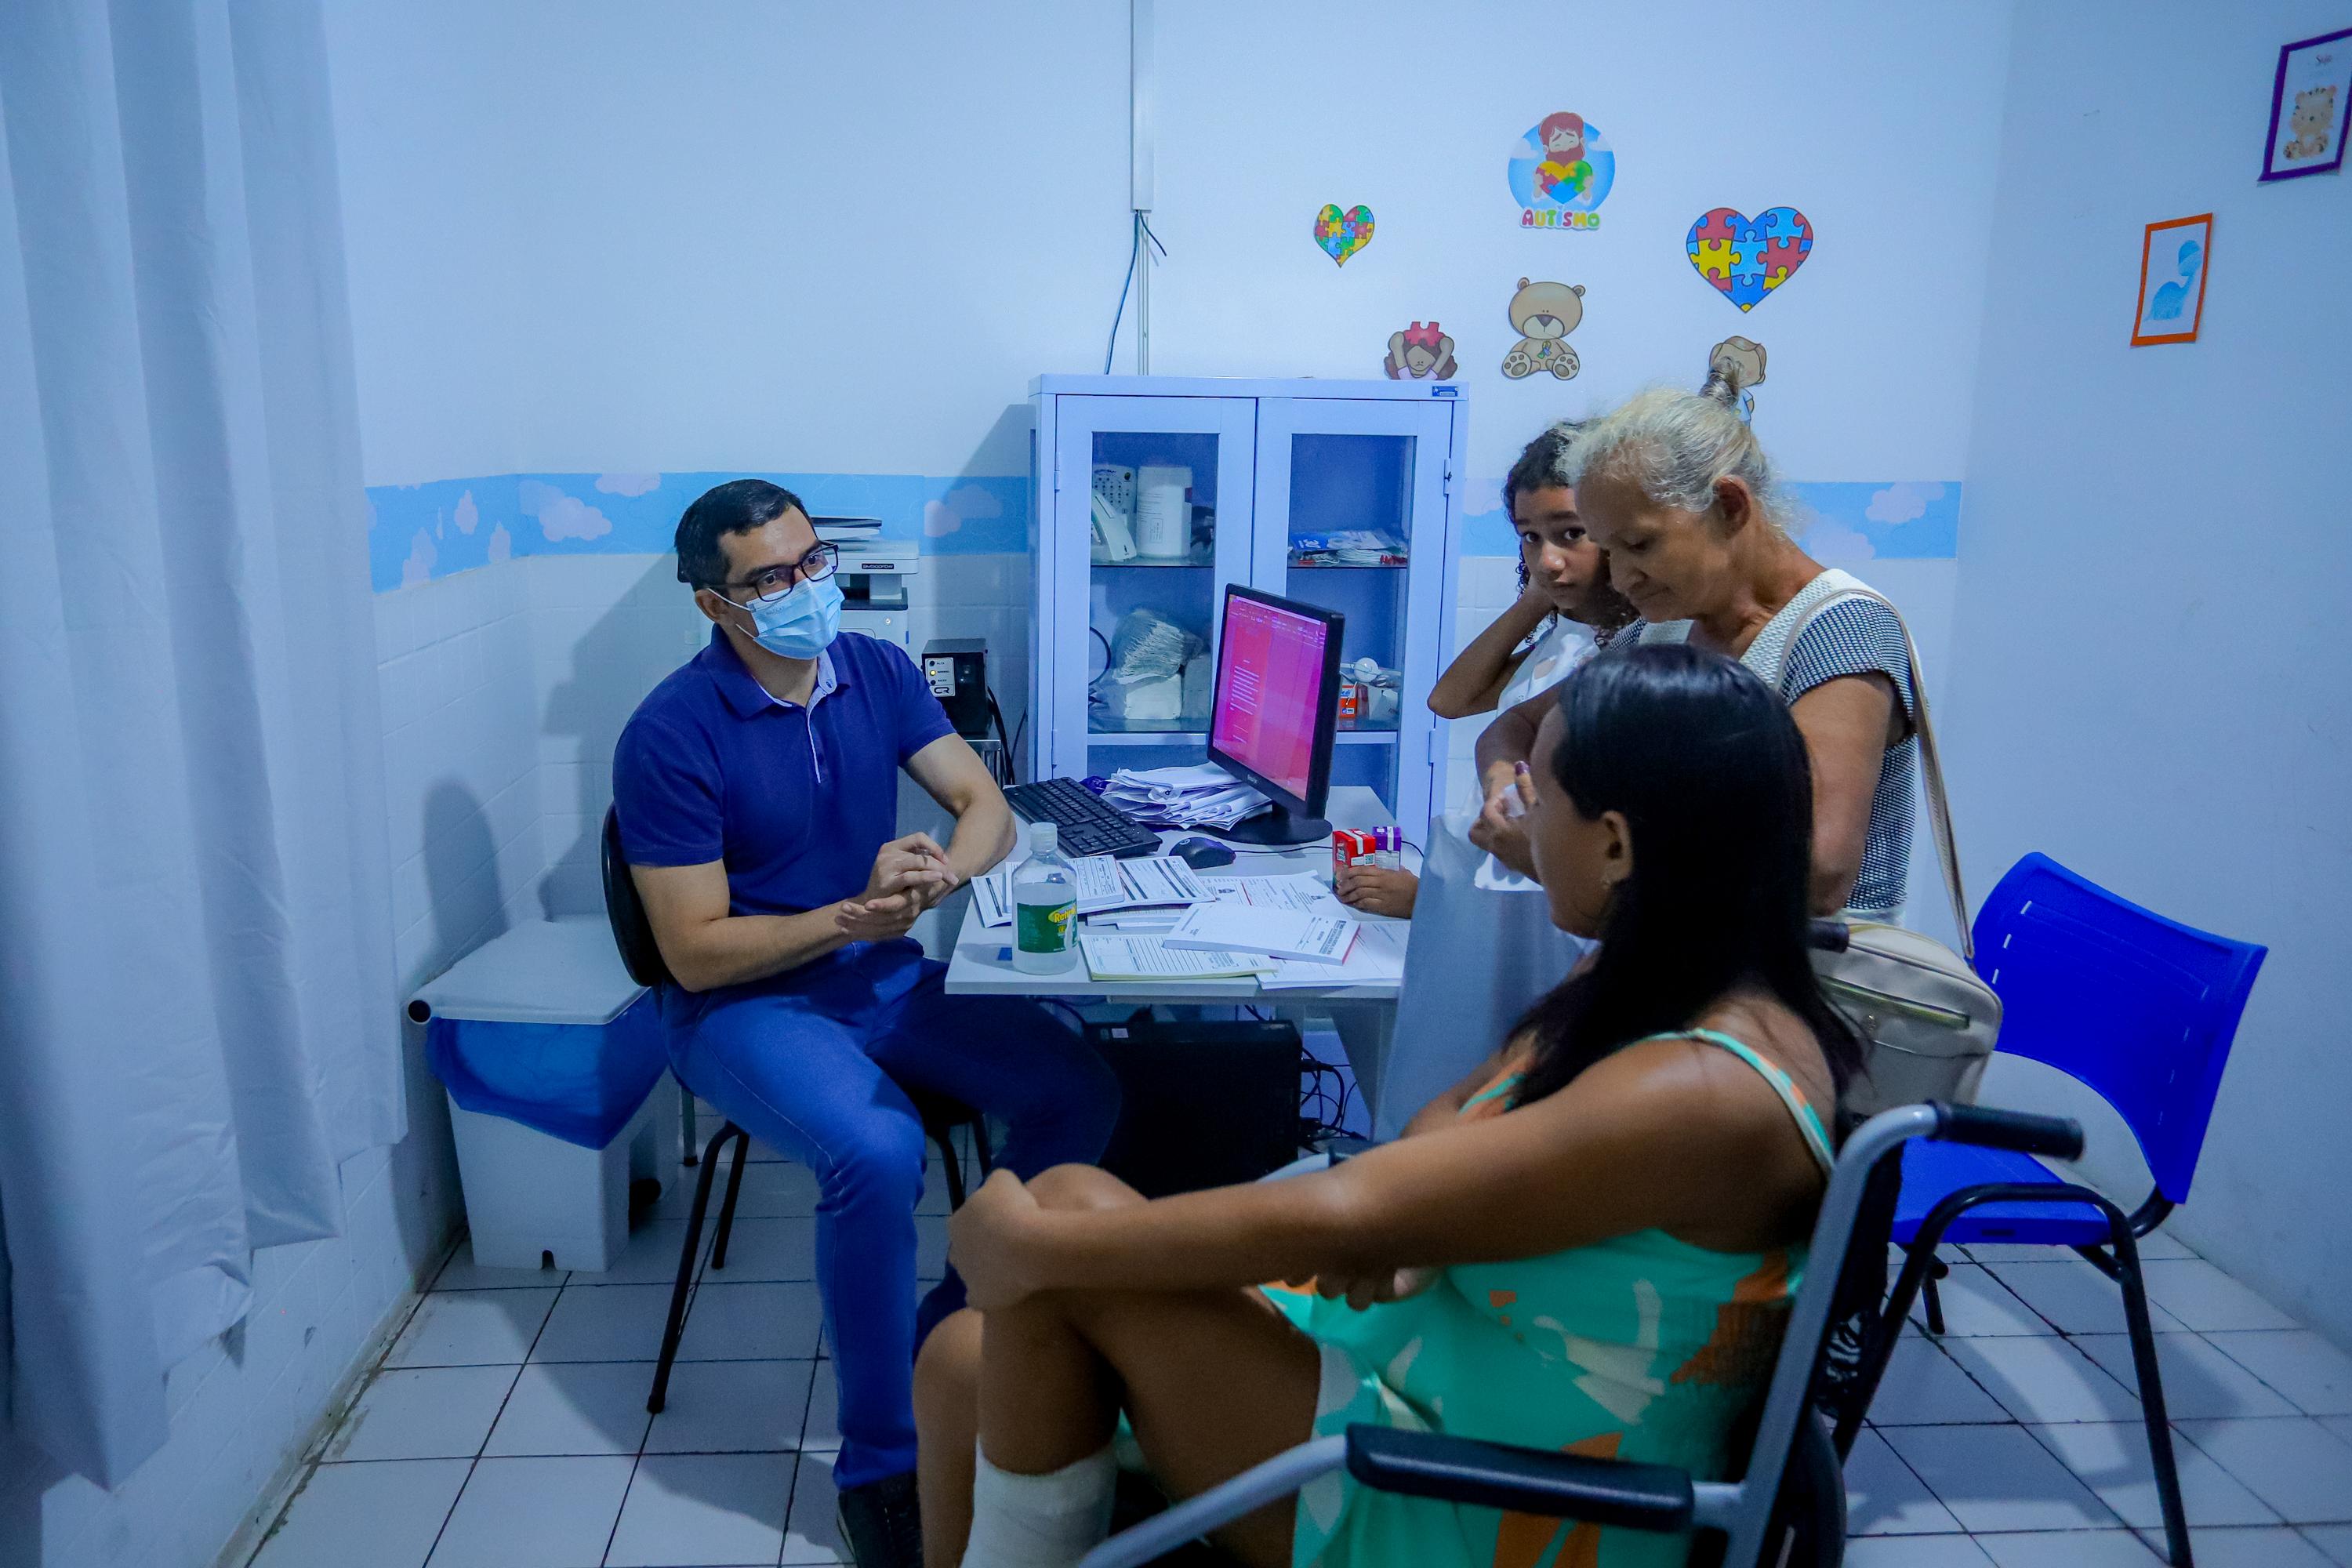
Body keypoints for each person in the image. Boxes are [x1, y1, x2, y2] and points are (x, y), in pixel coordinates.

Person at [913, 645, 1863, 1568]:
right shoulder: (1655, 978)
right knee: (963, 1356)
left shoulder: (1702, 1088)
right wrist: (1412, 1226)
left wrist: (1030, 1249)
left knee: (1060, 1219)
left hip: (1494, 1495)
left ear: (1615, 842)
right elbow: (1435, 1134)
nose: (1517, 819)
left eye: (1539, 797)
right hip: (1427, 1372)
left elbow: (1357, 1203)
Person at [612, 480, 1120, 1568]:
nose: (803, 588)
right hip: (740, 1007)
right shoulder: (670, 731)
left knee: (1078, 1085)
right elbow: (692, 950)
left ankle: (945, 1333)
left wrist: (940, 878)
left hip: (878, 974)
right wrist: (852, 913)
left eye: (810, 562)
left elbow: (985, 807)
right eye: (769, 579)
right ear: (714, 605)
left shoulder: (875, 672)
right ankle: (882, 1467)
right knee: (878, 1150)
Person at [1472, 359, 1921, 921]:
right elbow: (1517, 726)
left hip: (1804, 963)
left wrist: (1561, 859)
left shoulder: (1841, 631)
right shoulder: (1668, 625)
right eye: (1609, 552)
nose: (1621, 579)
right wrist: (1507, 792)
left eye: (1640, 545)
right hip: (1680, 948)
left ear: (1729, 507)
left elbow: (1817, 871)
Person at [1334, 421, 1634, 919]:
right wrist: (1537, 598)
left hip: (1517, 903)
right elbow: (1449, 700)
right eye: (1530, 537)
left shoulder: (1627, 651)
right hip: (1476, 881)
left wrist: (1427, 903)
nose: (1548, 559)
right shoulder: (1567, 633)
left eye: (1572, 533)